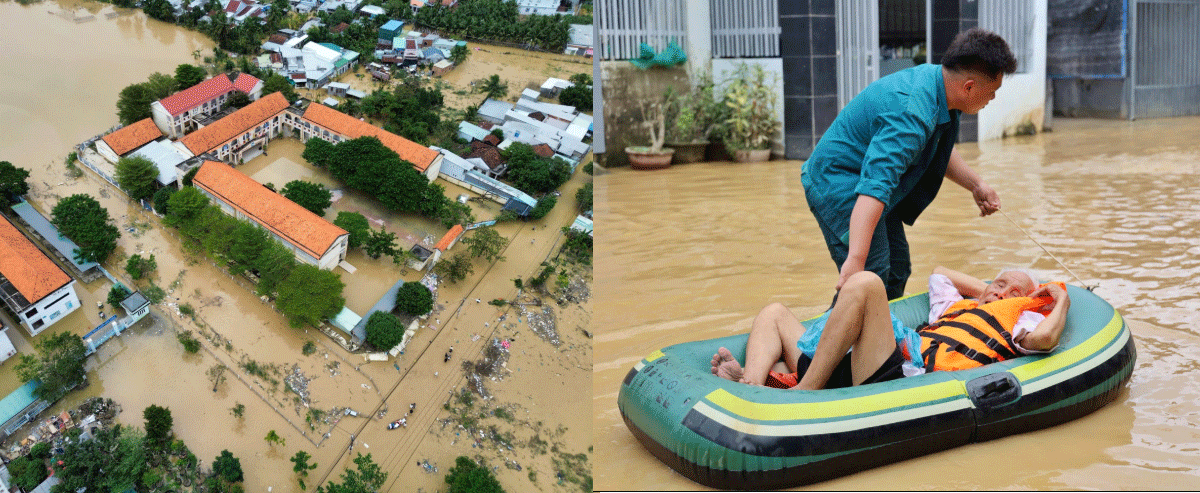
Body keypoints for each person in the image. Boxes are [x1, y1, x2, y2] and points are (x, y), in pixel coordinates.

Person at [801, 28, 1018, 301]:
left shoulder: (941, 90)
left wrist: (977, 185)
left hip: (868, 179)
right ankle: (832, 341)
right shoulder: (911, 112)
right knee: (871, 275)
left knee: (897, 269)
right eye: (992, 91)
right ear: (969, 87)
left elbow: (935, 147)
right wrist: (856, 259)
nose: (993, 99)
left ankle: (878, 332)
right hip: (839, 180)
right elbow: (874, 188)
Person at [711, 266, 1070, 390]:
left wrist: (1057, 300)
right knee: (774, 312)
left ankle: (803, 392)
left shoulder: (1023, 319)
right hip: (843, 363)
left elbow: (1044, 339)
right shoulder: (956, 306)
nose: (1002, 292)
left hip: (898, 373)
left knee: (867, 283)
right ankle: (751, 386)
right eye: (998, 283)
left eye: (1014, 292)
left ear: (1025, 301)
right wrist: (989, 293)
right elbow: (941, 273)